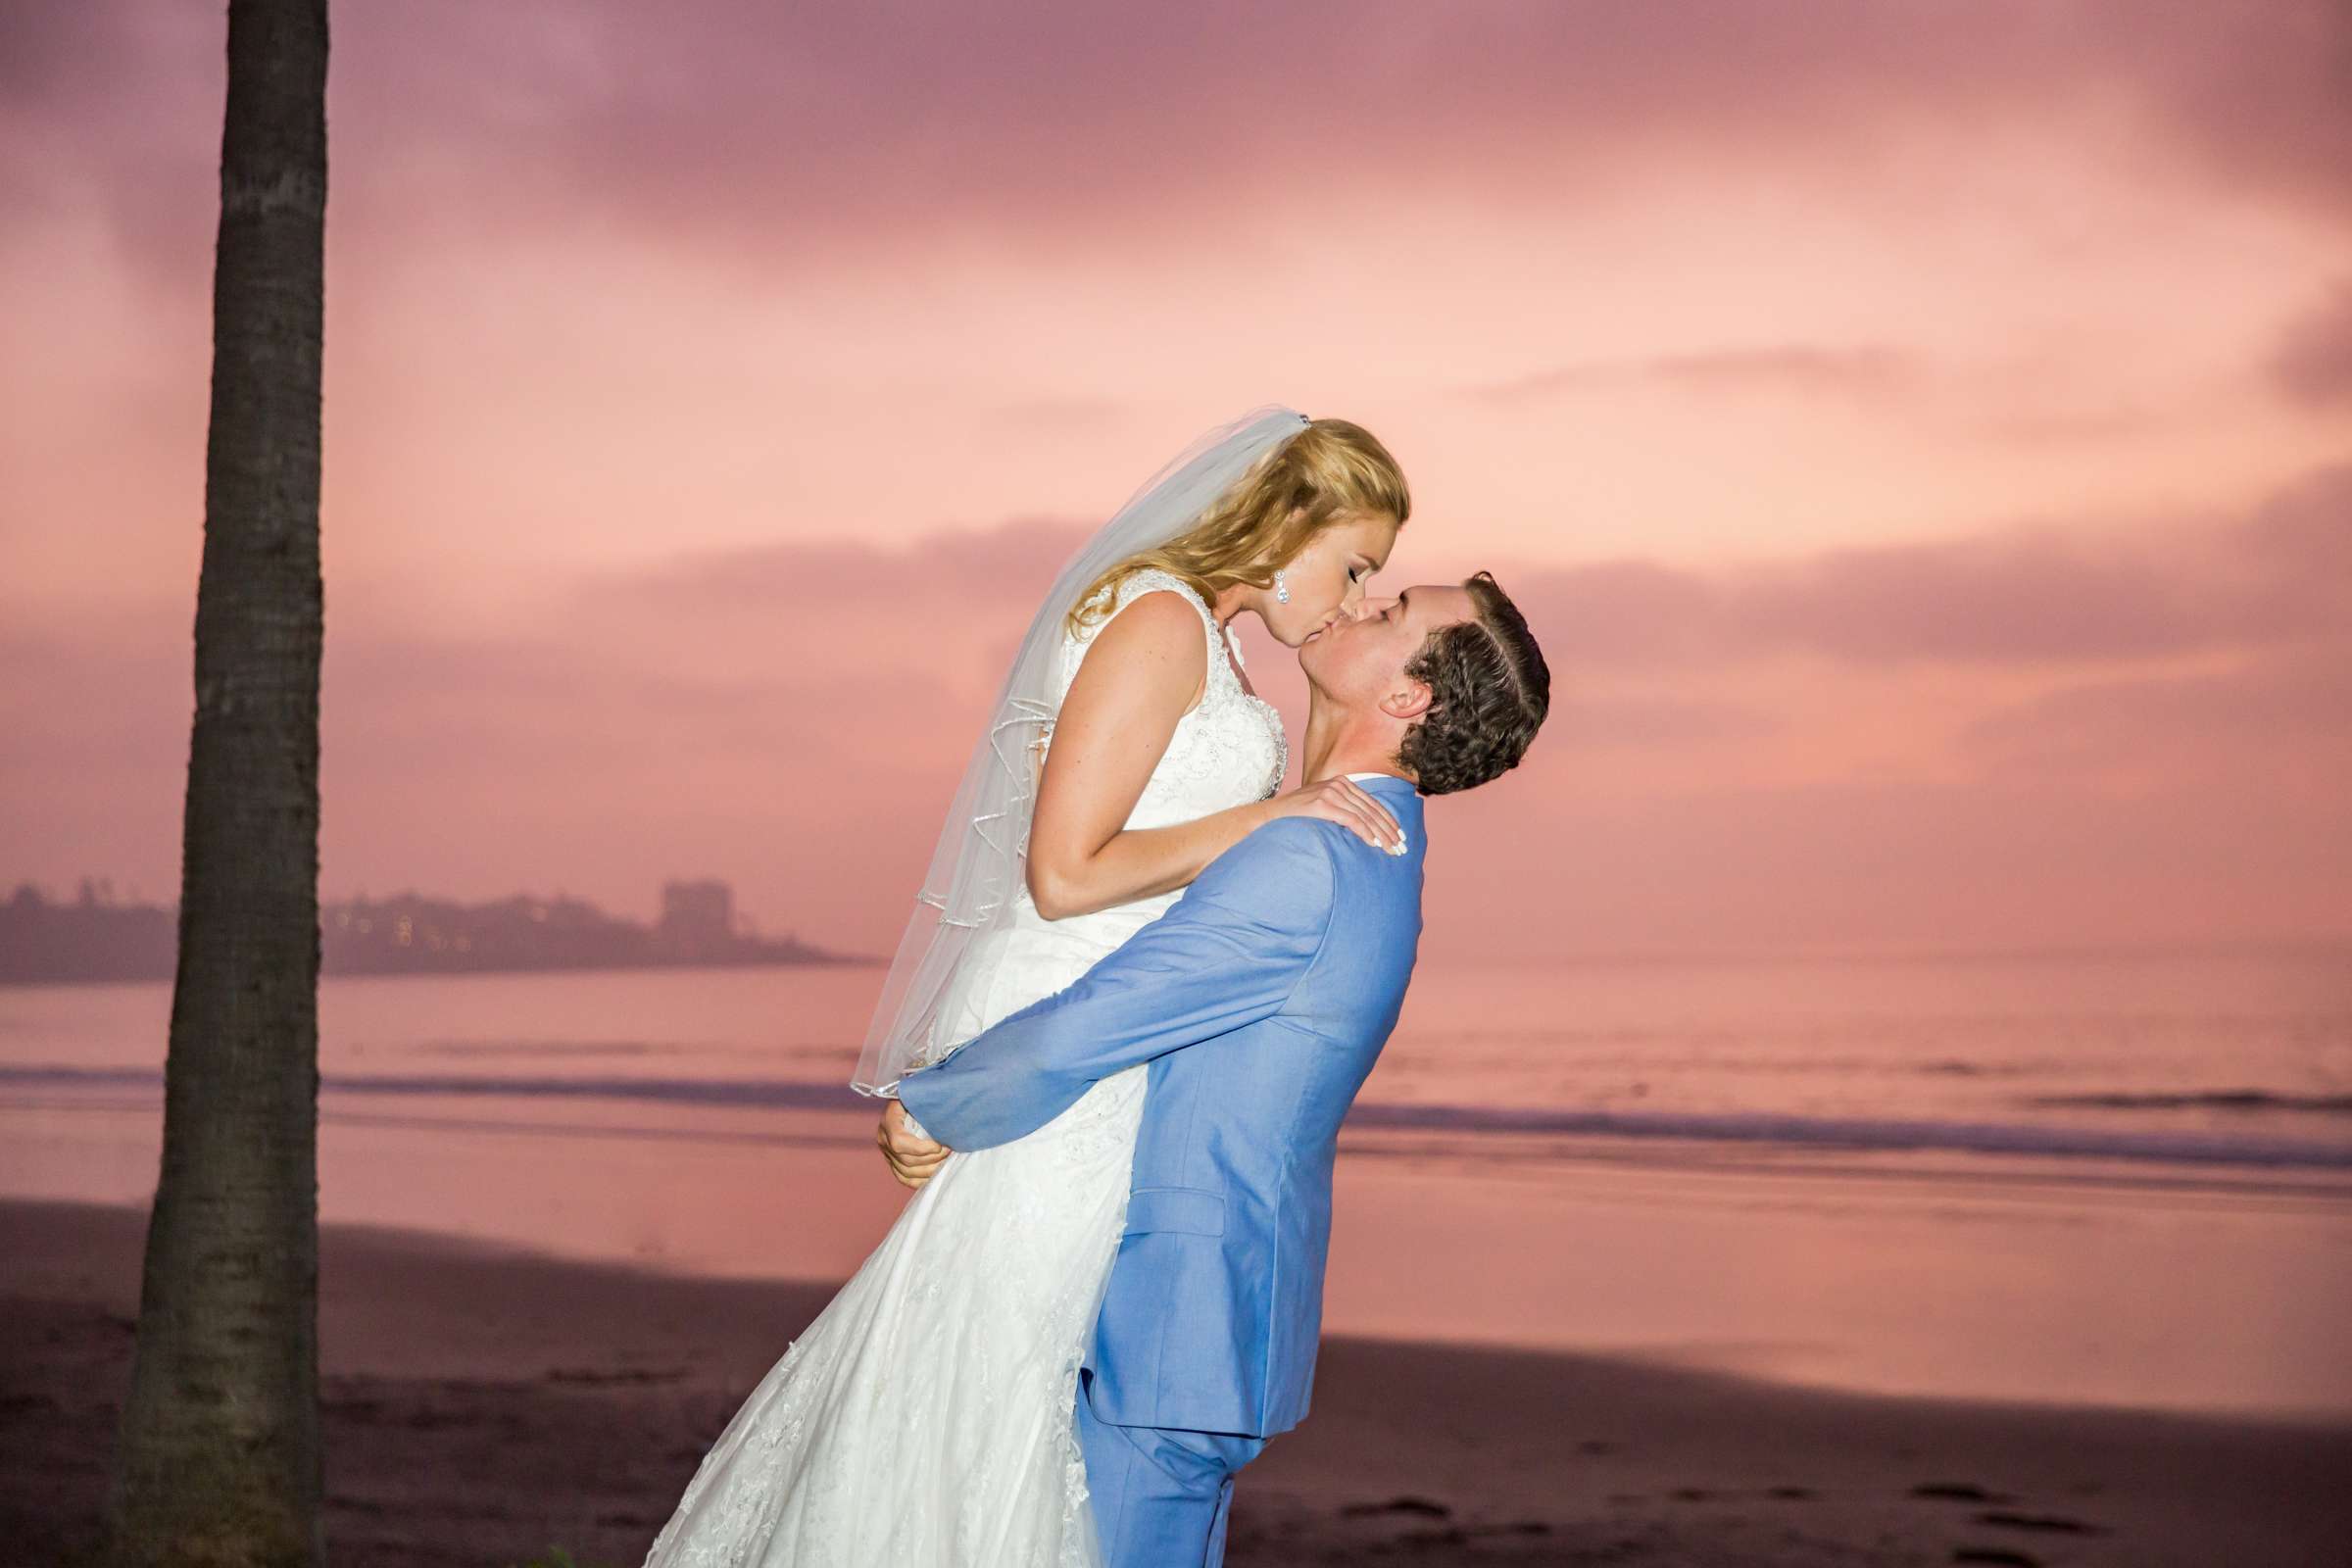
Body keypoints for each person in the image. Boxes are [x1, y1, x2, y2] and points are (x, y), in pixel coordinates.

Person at [641, 408, 1414, 1568]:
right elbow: (1062, 872)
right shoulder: (1158, 619)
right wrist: (1273, 816)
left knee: (1014, 1365)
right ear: (1287, 524)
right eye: (1357, 565)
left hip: (1105, 1049)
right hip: (1070, 1034)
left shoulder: (1206, 634)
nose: (1359, 599)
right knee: (990, 1359)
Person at [886, 569, 1550, 1567]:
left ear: (1409, 697)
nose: (1359, 606)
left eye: (1392, 613)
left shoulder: (1314, 859)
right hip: (1210, 1320)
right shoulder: (1363, 844)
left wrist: (935, 1106)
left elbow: (1101, 1020)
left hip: (1175, 1322)